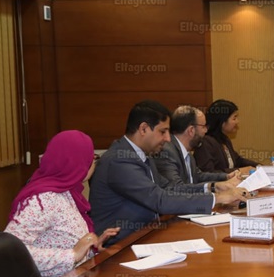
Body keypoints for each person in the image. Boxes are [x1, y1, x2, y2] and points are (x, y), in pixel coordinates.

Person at [90, 100, 248, 244]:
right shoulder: (119, 160)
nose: (167, 138)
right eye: (163, 131)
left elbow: (170, 189)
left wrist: (213, 187)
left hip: (147, 234)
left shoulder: (143, 154)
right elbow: (159, 200)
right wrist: (217, 198)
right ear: (143, 129)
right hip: (119, 245)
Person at [5, 131, 120, 277]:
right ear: (76, 162)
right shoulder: (44, 198)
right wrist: (72, 255)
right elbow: (10, 253)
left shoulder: (68, 192)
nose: (93, 163)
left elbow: (61, 238)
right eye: (91, 157)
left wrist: (91, 247)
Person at [154, 105, 241, 192]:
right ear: (191, 130)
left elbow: (198, 176)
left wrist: (226, 176)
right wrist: (212, 186)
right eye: (203, 126)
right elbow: (176, 188)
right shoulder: (167, 152)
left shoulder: (186, 151)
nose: (206, 131)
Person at [194, 99, 258, 173]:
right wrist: (238, 171)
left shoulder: (224, 139)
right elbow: (208, 173)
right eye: (234, 118)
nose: (237, 121)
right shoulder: (205, 143)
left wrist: (258, 166)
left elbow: (238, 160)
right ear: (222, 121)